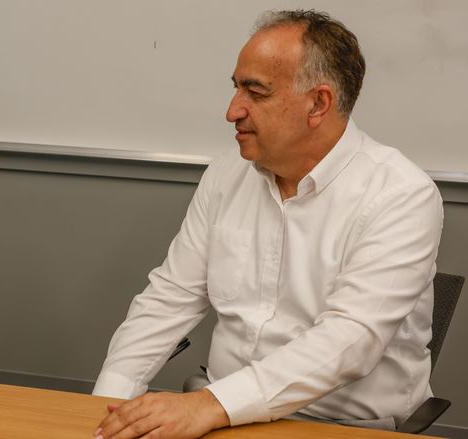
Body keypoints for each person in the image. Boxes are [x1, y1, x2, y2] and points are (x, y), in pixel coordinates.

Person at [92, 10, 443, 438]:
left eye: (254, 92)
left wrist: (210, 405)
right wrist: (108, 407)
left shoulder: (401, 194)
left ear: (318, 103)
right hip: (223, 415)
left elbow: (349, 341)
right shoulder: (227, 175)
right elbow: (170, 297)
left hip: (345, 426)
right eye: (236, 87)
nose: (231, 111)